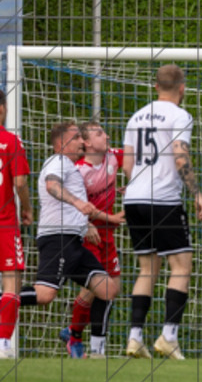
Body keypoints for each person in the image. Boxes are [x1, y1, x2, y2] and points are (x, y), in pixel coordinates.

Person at [123, 64, 202, 360]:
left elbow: (127, 164)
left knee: (147, 268)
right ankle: (168, 336)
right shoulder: (180, 115)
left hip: (133, 198)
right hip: (162, 199)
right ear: (182, 88)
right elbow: (179, 154)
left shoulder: (136, 116)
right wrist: (197, 194)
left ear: (156, 86)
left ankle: (135, 338)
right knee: (181, 265)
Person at [19, 122, 119, 357]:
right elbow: (52, 185)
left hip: (72, 240)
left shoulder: (70, 166)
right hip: (58, 239)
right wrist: (78, 203)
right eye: (77, 138)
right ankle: (6, 299)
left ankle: (97, 353)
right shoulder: (58, 162)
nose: (82, 142)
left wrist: (85, 224)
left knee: (106, 288)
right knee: (44, 295)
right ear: (63, 143)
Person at [59, 121, 126, 358]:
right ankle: (84, 342)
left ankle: (73, 331)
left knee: (111, 287)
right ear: (86, 143)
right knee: (101, 288)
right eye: (99, 133)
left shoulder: (114, 157)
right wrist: (87, 223)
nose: (106, 136)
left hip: (107, 233)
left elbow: (137, 156)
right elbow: (72, 204)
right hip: (88, 233)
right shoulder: (78, 171)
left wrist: (133, 183)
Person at [0, 90, 32, 359]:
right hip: (5, 224)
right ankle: (3, 344)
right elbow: (20, 182)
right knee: (12, 283)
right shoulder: (11, 141)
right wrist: (28, 209)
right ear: (2, 109)